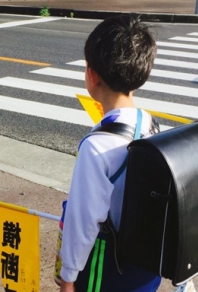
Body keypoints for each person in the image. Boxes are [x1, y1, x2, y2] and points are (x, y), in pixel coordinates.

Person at [59, 15, 161, 292]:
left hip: (108, 270)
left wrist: (68, 277)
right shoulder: (152, 124)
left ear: (92, 76)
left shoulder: (96, 146)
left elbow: (84, 219)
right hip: (148, 268)